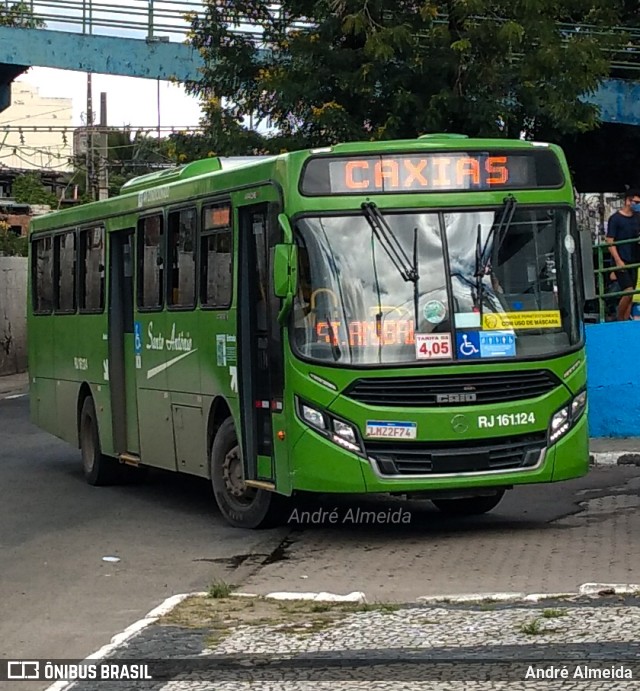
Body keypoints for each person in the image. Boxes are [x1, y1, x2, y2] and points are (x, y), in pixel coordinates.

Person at [605, 188, 640, 321]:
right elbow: (609, 241)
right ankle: (619, 319)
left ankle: (626, 320)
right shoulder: (615, 218)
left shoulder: (637, 218)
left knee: (631, 294)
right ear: (627, 201)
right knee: (628, 290)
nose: (637, 205)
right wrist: (618, 260)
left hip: (634, 259)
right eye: (635, 202)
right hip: (621, 259)